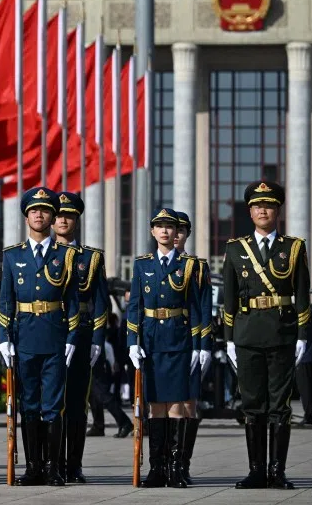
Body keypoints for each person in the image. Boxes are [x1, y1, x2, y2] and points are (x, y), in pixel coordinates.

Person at [223, 181, 310, 490]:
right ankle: (256, 470)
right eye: (258, 206)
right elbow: (229, 298)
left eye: (269, 205)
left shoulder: (294, 247)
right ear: (250, 211)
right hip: (247, 334)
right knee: (252, 404)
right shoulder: (235, 248)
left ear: (277, 210)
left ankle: (278, 470)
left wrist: (302, 335)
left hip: (282, 333)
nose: (263, 210)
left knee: (280, 405)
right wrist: (229, 338)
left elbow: (301, 294)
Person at [0, 187, 78, 487]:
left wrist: (71, 337)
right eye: (34, 211)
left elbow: (72, 301)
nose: (39, 215)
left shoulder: (65, 255)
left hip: (55, 336)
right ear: (26, 216)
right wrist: (4, 338)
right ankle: (33, 466)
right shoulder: (11, 256)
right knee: (29, 403)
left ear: (52, 216)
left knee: (53, 404)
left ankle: (53, 467)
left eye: (44, 210)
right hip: (24, 337)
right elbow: (6, 302)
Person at [127, 207, 199, 489]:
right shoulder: (142, 264)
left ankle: (176, 467)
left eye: (171, 226)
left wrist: (200, 345)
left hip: (178, 338)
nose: (167, 231)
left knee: (178, 405)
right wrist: (132, 342)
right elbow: (135, 307)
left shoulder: (189, 265)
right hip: (152, 339)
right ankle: (157, 468)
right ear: (153, 231)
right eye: (161, 226)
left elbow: (196, 307)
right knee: (155, 405)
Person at [51, 192, 107, 483]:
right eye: (58, 215)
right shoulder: (44, 254)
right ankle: (52, 463)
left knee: (76, 402)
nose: (62, 219)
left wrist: (97, 339)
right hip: (49, 332)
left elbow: (100, 302)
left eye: (69, 215)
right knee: (50, 401)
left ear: (77, 219)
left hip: (82, 334)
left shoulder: (91, 257)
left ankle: (74, 464)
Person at [174, 211, 213, 485]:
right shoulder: (150, 264)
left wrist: (203, 345)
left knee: (189, 404)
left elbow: (204, 308)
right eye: (170, 229)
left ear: (187, 234)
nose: (175, 234)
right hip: (161, 343)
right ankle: (163, 461)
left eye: (181, 230)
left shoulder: (197, 266)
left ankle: (181, 462)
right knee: (161, 405)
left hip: (189, 342)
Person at [87, 338, 133, 438]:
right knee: (92, 394)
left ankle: (125, 422)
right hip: (90, 352)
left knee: (102, 394)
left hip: (94, 352)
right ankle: (98, 425)